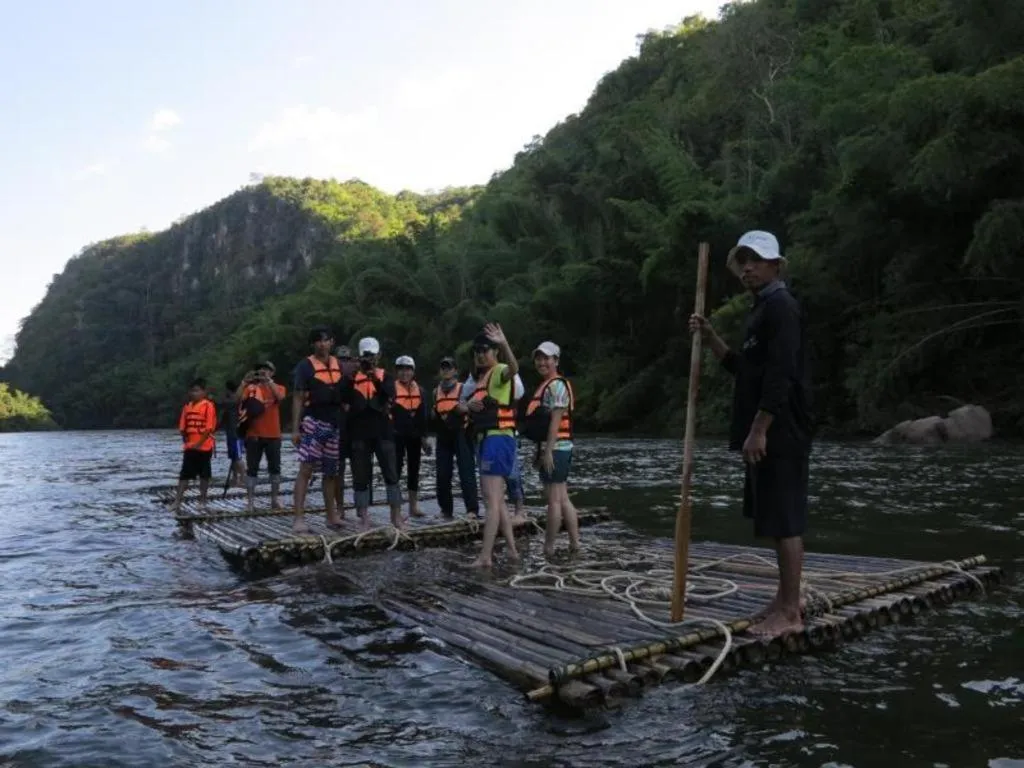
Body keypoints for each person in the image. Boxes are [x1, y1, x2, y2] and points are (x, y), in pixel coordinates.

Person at [688, 229, 812, 638]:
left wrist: (760, 429)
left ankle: (790, 612)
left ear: (776, 265)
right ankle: (785, 598)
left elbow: (781, 375)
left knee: (785, 518)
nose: (747, 268)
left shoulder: (782, 308)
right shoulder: (761, 310)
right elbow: (746, 369)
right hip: (769, 429)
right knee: (774, 517)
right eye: (743, 261)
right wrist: (711, 339)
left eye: (756, 260)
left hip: (782, 429)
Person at [457, 323, 520, 567]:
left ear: (495, 352)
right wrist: (468, 406)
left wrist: (504, 343)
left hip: (498, 438)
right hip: (487, 439)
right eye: (477, 351)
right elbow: (462, 406)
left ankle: (485, 556)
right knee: (497, 499)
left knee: (491, 500)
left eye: (485, 350)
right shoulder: (481, 378)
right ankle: (512, 550)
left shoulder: (500, 370)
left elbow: (514, 368)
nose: (481, 355)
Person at [522, 341, 580, 557]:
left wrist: (548, 452)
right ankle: (575, 544)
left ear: (556, 360)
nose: (541, 362)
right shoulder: (547, 385)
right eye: (538, 358)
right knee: (562, 498)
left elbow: (555, 421)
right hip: (555, 447)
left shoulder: (556, 386)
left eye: (546, 358)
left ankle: (549, 547)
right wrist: (540, 451)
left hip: (557, 448)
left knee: (554, 500)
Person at [340, 336, 403, 530]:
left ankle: (396, 516)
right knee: (360, 476)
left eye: (372, 356)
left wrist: (374, 378)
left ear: (379, 356)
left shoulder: (386, 377)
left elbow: (389, 395)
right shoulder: (351, 378)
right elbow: (342, 398)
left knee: (391, 473)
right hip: (359, 432)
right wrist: (351, 375)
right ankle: (364, 517)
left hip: (383, 431)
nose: (370, 360)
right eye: (366, 356)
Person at [291, 326, 343, 533]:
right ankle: (298, 518)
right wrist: (295, 429)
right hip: (313, 422)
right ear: (313, 344)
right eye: (318, 341)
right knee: (306, 469)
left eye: (326, 340)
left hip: (334, 424)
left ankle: (331, 516)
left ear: (332, 342)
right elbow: (297, 397)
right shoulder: (305, 366)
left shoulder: (339, 364)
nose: (322, 344)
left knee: (331, 471)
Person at [462, 365, 526, 522]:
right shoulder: (472, 382)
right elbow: (462, 402)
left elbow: (518, 392)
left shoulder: (503, 373)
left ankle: (519, 510)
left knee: (512, 475)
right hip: (482, 436)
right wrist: (468, 405)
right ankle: (493, 513)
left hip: (504, 434)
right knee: (487, 478)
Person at [432, 355, 480, 519]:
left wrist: (464, 408)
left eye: (449, 367)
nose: (446, 370)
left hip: (462, 433)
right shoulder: (435, 392)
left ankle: (472, 509)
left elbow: (474, 408)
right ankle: (445, 510)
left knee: (466, 472)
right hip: (443, 435)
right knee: (442, 474)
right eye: (443, 367)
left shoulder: (464, 388)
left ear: (455, 371)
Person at [238, 361, 287, 512]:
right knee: (252, 469)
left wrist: (269, 381)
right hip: (253, 434)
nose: (264, 372)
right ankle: (250, 502)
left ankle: (274, 499)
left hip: (273, 434)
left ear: (273, 373)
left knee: (275, 468)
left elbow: (280, 397)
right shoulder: (251, 389)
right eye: (261, 370)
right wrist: (244, 382)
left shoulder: (278, 387)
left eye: (267, 370)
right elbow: (237, 399)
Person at [392, 355, 431, 518]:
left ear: (413, 372)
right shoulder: (391, 389)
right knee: (395, 470)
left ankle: (413, 506)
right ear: (397, 372)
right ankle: (396, 508)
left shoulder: (421, 391)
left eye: (408, 369)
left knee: (414, 469)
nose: (404, 373)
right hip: (396, 435)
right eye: (401, 369)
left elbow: (423, 417)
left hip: (414, 436)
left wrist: (424, 438)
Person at [170, 378, 217, 513]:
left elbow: (209, 428)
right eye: (192, 391)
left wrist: (199, 443)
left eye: (197, 390)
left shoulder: (208, 406)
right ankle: (177, 501)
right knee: (184, 474)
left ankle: (202, 501)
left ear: (204, 392)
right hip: (190, 446)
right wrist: (187, 442)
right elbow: (182, 428)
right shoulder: (187, 407)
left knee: (204, 474)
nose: (194, 393)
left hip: (204, 446)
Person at [218, 379, 245, 489]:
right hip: (231, 433)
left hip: (236, 433)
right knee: (233, 457)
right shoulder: (233, 400)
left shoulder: (233, 401)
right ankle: (235, 479)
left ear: (228, 389)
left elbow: (220, 403)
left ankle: (242, 479)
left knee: (237, 457)